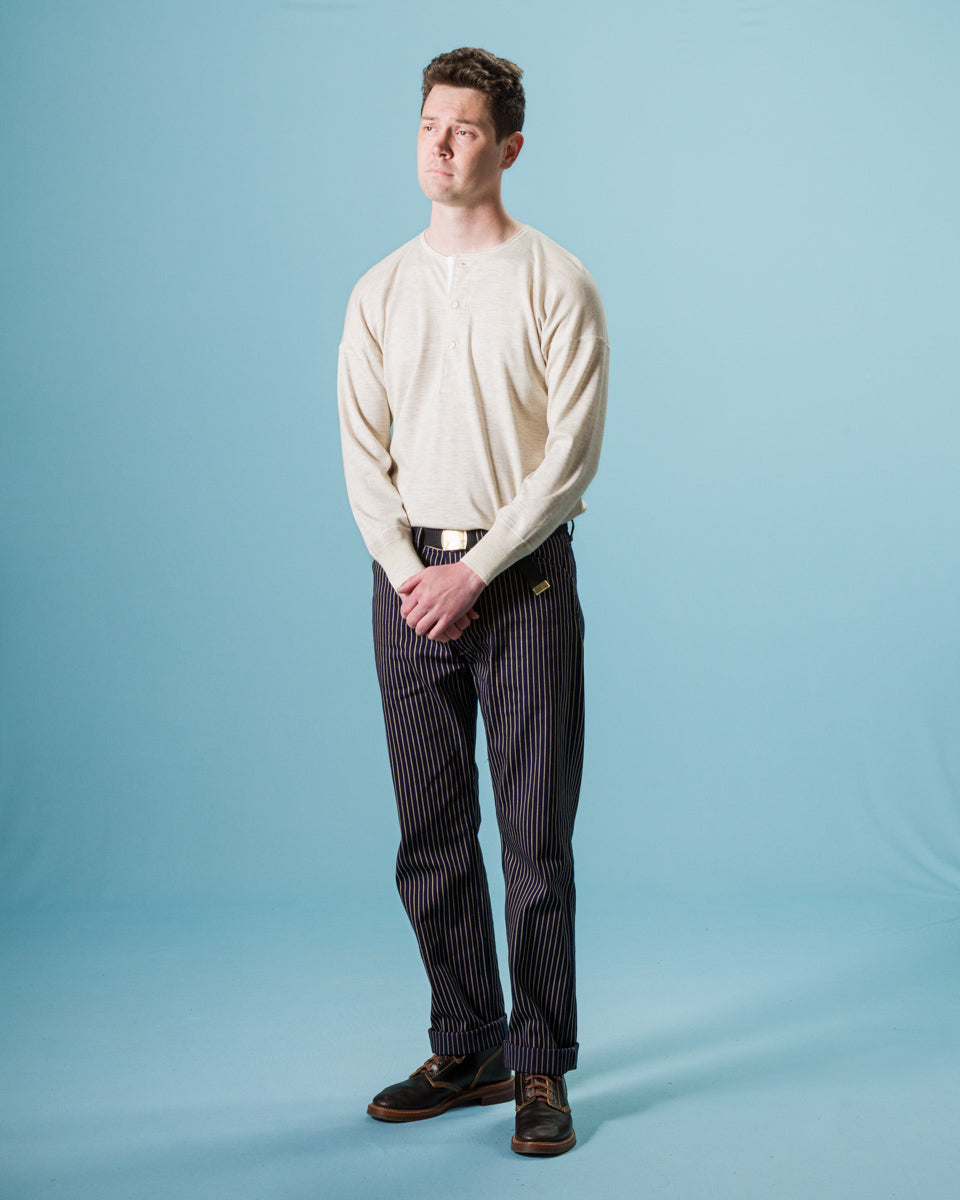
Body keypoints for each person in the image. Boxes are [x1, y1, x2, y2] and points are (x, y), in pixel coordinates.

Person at [337, 46, 608, 1157]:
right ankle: (467, 1043)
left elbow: (569, 460)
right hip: (409, 590)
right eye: (428, 125)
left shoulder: (556, 280)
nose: (440, 146)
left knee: (535, 840)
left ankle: (539, 1062)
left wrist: (477, 571)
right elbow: (363, 455)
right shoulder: (380, 290)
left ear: (509, 147)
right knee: (432, 832)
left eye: (464, 129)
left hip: (523, 581)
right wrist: (411, 573)